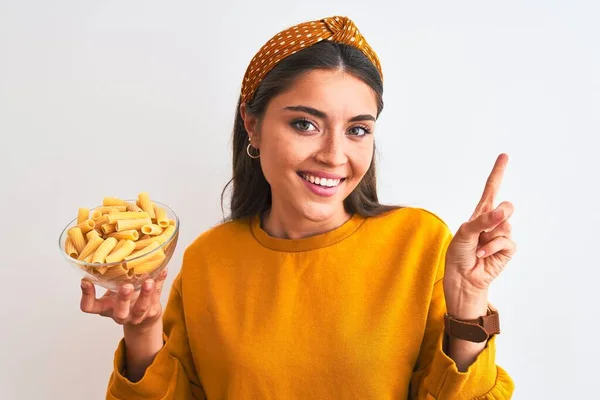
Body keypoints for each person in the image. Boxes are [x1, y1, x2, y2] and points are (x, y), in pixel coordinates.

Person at [80, 15, 516, 399]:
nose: (333, 154)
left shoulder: (420, 243)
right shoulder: (207, 261)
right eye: (305, 124)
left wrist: (469, 304)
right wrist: (141, 331)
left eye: (357, 130)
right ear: (252, 125)